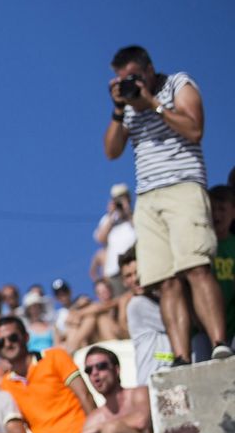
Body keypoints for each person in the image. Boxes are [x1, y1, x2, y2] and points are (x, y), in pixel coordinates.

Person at [103, 45, 230, 363]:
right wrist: (120, 108)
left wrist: (153, 104)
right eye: (122, 79)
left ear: (149, 68)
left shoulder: (177, 84)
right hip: (147, 196)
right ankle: (181, 356)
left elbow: (194, 128)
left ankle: (219, 343)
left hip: (183, 185)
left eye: (133, 76)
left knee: (196, 267)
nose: (130, 82)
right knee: (165, 280)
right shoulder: (129, 104)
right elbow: (111, 150)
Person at [120, 248, 173, 386]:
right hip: (155, 382)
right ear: (123, 282)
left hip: (168, 377)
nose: (135, 279)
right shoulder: (137, 304)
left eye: (137, 272)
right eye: (128, 276)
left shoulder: (160, 300)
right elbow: (176, 321)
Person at [94, 184, 138, 297]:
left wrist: (127, 212)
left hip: (134, 268)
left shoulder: (135, 215)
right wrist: (111, 214)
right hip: (113, 272)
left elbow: (140, 231)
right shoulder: (108, 220)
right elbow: (100, 238)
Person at [210, 185, 235, 345]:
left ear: (233, 212)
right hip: (204, 330)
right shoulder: (200, 245)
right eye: (212, 209)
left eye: (222, 208)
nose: (216, 214)